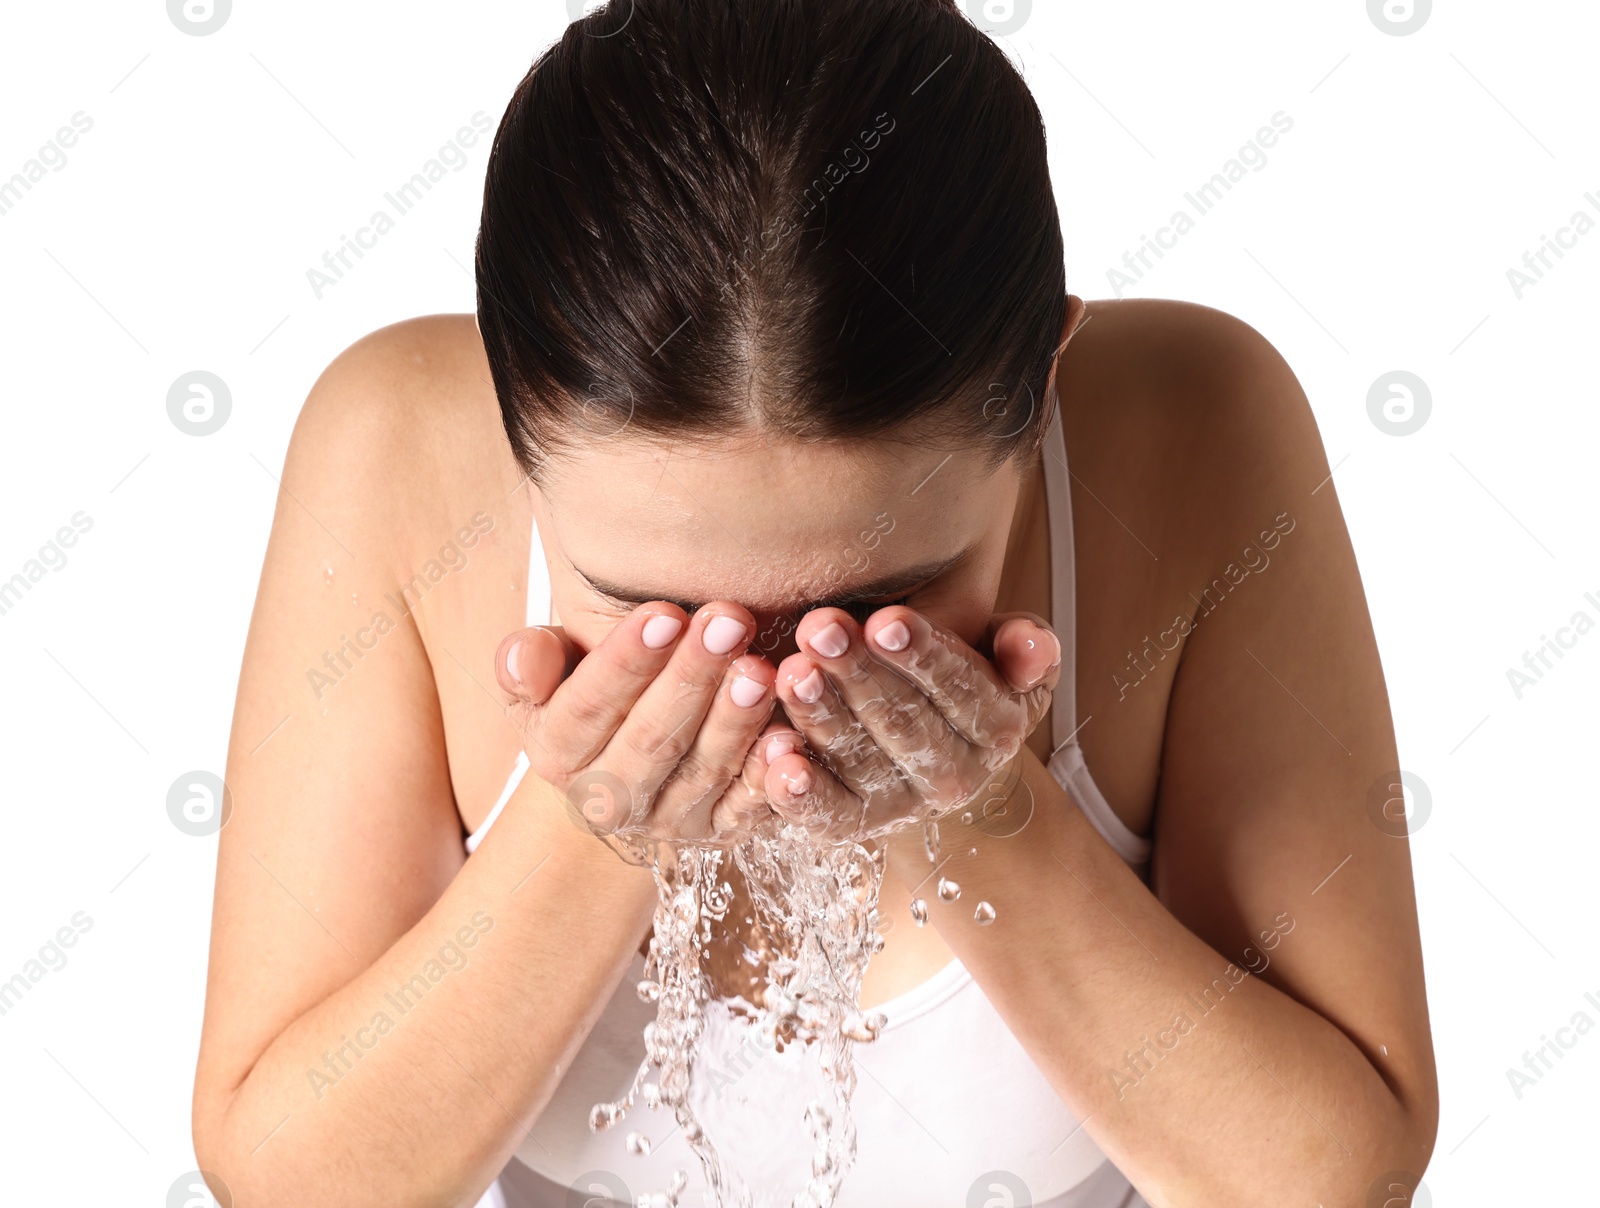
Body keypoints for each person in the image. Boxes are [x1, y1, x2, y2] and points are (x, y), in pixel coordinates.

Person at [191, 1, 1439, 1204]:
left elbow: (1336, 1179)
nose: (777, 685)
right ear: (509, 422)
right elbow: (291, 1187)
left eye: (886, 600)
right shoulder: (395, 439)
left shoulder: (1191, 420)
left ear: (1044, 384)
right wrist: (599, 830)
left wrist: (989, 807)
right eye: (654, 606)